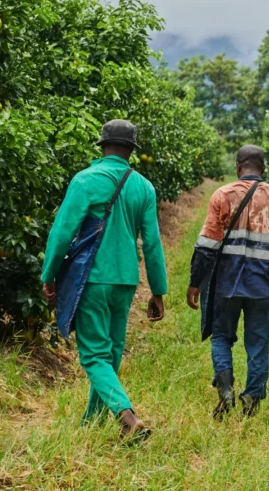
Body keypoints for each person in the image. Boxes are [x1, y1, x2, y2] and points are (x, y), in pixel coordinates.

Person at [41, 119, 167, 441]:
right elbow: (152, 243)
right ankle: (93, 420)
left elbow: (62, 232)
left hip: (92, 278)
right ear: (131, 150)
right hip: (126, 280)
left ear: (103, 145)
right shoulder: (144, 187)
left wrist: (49, 274)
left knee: (95, 355)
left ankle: (127, 417)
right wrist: (157, 290)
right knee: (110, 352)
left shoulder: (85, 180)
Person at [187, 144, 269, 419]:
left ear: (238, 168)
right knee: (258, 343)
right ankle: (252, 397)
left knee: (221, 336)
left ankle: (225, 389)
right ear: (263, 169)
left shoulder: (223, 195)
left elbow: (207, 245)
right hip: (260, 285)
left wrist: (196, 281)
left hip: (227, 284)